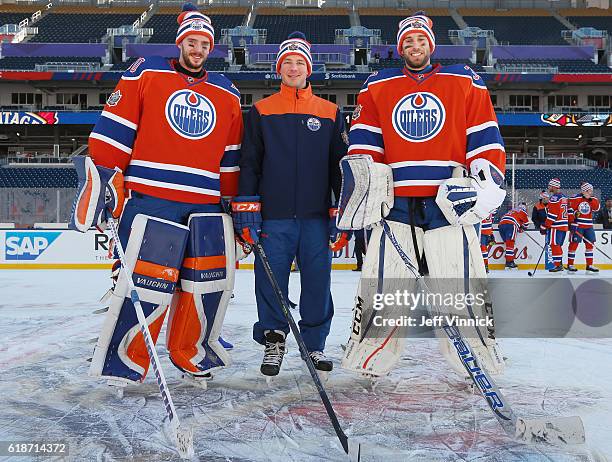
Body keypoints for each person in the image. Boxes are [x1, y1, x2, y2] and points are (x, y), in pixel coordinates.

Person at [69, 3, 243, 388]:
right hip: (151, 198)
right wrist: (105, 176)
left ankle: (192, 352)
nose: (197, 50)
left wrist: (234, 205)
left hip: (205, 205)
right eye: (192, 42)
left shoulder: (227, 92)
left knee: (202, 285)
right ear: (181, 43)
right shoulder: (146, 72)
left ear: (211, 48)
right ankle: (127, 360)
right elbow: (115, 129)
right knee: (145, 285)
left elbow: (231, 157)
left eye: (204, 44)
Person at [337, 12, 506, 379]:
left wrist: (485, 186)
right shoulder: (378, 83)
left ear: (431, 44)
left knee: (460, 285)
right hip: (395, 202)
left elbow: (484, 136)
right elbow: (365, 142)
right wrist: (367, 184)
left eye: (421, 40)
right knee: (385, 284)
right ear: (401, 48)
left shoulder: (464, 79)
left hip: (449, 202)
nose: (415, 47)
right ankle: (371, 355)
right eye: (408, 42)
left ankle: (475, 359)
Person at [233, 32, 349, 377]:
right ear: (278, 69)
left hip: (315, 219)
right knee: (270, 283)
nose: (293, 68)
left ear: (308, 68)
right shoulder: (261, 111)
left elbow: (339, 168)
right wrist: (247, 211)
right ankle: (274, 340)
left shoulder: (329, 112)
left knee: (318, 283)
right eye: (287, 63)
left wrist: (340, 212)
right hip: (273, 219)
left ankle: (313, 345)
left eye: (299, 62)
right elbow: (250, 164)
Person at [567, 182, 601, 272]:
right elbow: (569, 210)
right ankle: (570, 264)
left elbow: (597, 208)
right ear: (584, 191)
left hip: (589, 225)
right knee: (573, 245)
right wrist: (571, 222)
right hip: (578, 226)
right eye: (590, 190)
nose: (591, 192)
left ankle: (589, 265)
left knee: (590, 245)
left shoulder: (593, 199)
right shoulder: (575, 198)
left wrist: (589, 199)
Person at [544, 178, 569, 272]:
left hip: (556, 226)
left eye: (550, 186)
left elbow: (552, 215)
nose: (549, 187)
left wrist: (545, 225)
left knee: (554, 244)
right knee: (558, 245)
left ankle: (558, 265)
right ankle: (560, 264)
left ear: (554, 186)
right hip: (563, 225)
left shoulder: (555, 198)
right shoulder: (564, 197)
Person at [498, 204, 529, 269]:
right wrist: (521, 228)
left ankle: (508, 261)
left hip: (501, 226)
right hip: (511, 225)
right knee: (510, 244)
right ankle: (509, 262)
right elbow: (526, 225)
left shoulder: (511, 211)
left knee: (507, 244)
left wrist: (519, 225)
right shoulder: (523, 212)